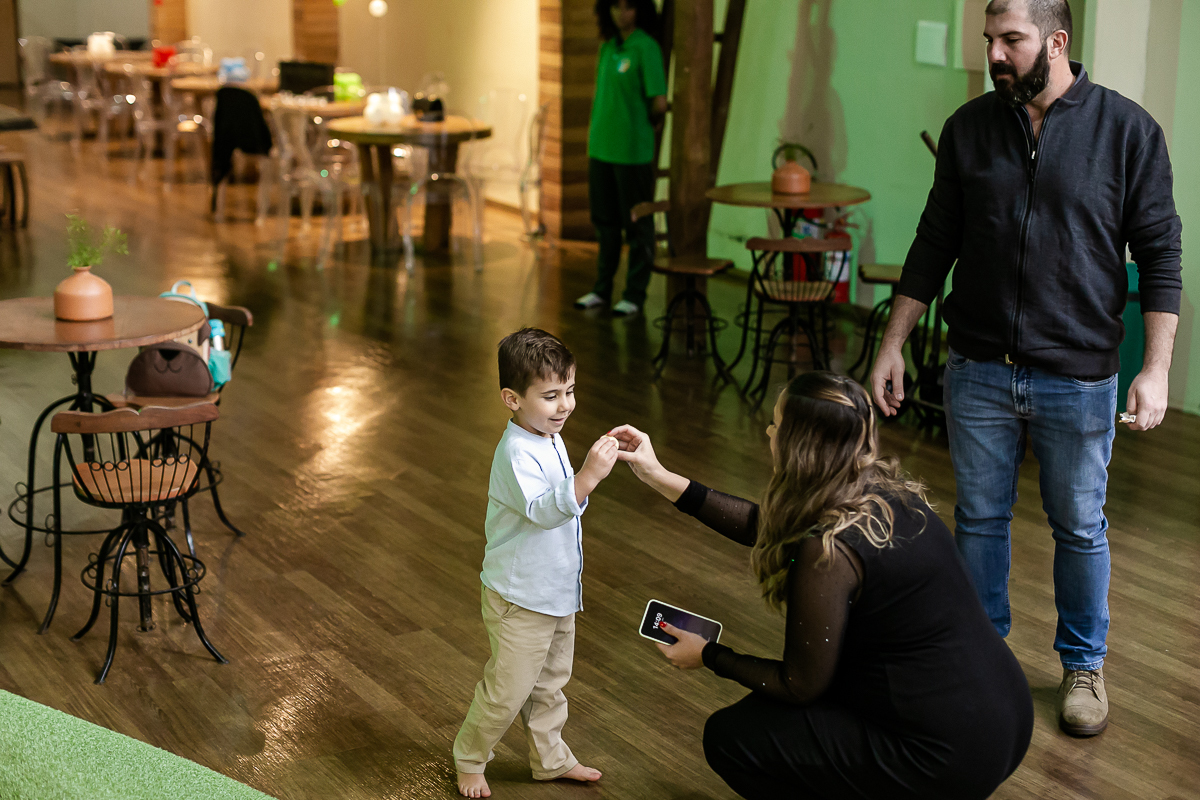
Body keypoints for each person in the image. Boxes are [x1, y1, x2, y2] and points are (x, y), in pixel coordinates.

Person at [869, 0, 1182, 737]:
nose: (995, 55)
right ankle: (980, 659)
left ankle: (1083, 665)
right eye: (990, 40)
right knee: (979, 520)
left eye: (1011, 40)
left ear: (1057, 41)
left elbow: (1161, 254)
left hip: (1079, 375)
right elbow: (934, 240)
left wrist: (1156, 367)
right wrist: (891, 342)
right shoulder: (969, 129)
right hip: (977, 367)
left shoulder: (1127, 131)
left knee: (1079, 526)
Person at [611, 372, 1033, 800]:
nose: (768, 431)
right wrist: (658, 475)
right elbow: (767, 526)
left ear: (799, 446)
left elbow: (798, 684)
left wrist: (709, 655)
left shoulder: (829, 552)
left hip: (947, 759)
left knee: (731, 737)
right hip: (1004, 715)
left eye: (777, 424)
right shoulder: (887, 492)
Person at [453, 328, 618, 798]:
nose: (565, 405)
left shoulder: (548, 435)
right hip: (520, 598)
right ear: (512, 399)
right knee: (508, 689)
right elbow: (545, 511)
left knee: (550, 685)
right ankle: (470, 757)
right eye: (550, 396)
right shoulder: (515, 452)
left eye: (569, 391)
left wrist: (582, 480)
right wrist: (589, 476)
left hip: (556, 591)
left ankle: (551, 759)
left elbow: (565, 505)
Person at [573, 0, 668, 317]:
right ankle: (602, 289)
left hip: (632, 152)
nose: (621, 13)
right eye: (615, 6)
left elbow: (659, 102)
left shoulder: (646, 47)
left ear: (640, 10)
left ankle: (634, 294)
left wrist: (644, 125)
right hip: (601, 147)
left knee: (637, 225)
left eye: (628, 6)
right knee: (605, 223)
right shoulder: (607, 47)